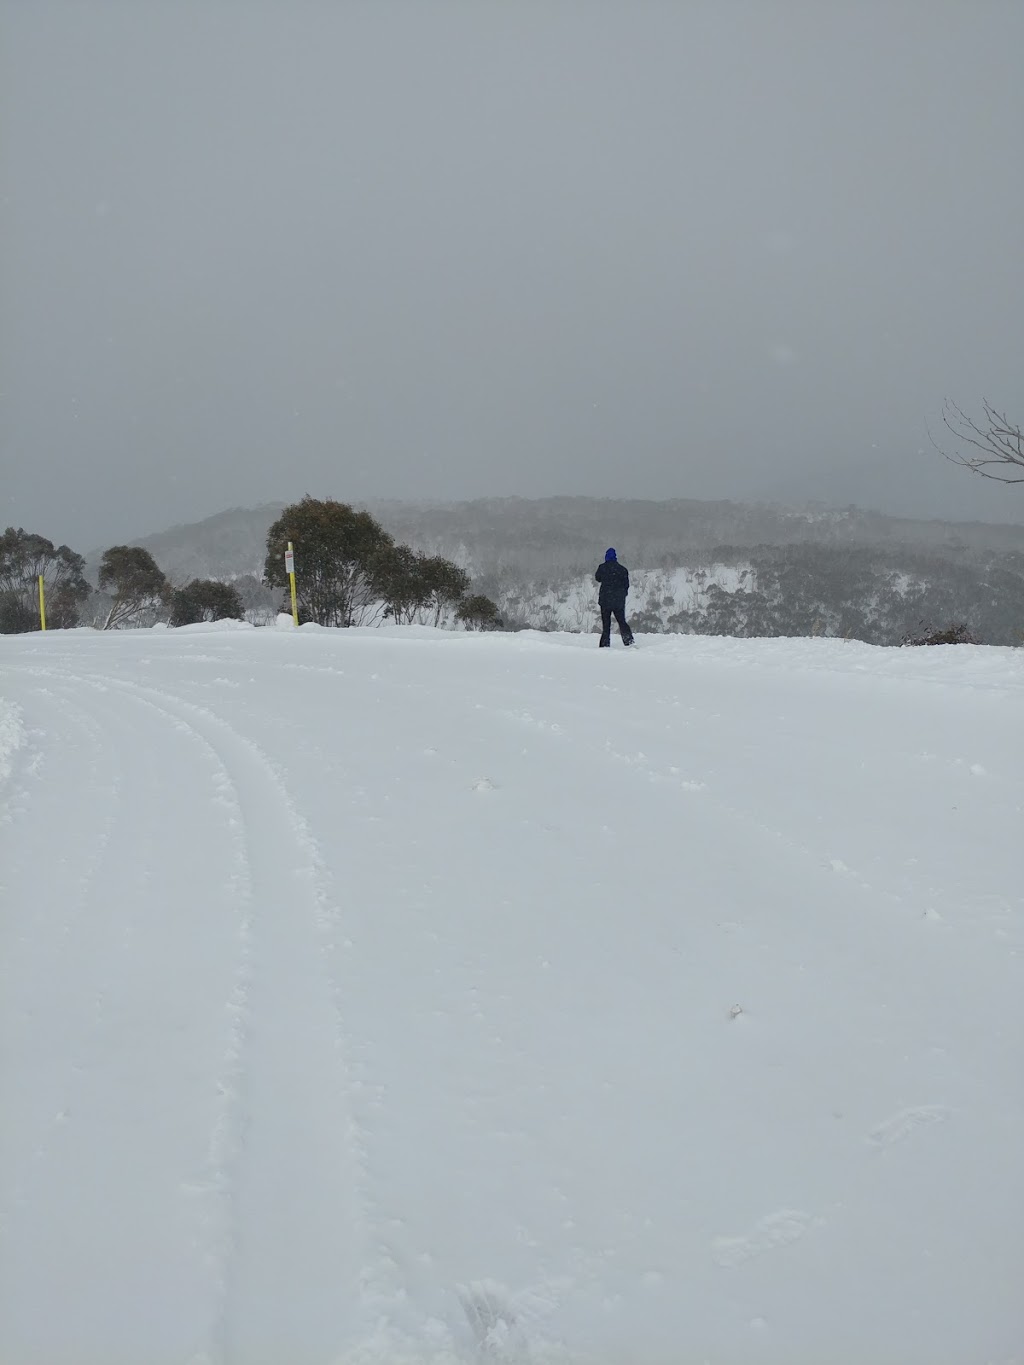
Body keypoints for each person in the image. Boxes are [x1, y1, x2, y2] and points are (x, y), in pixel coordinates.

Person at [595, 548, 634, 647]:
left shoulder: (602, 567)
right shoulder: (622, 569)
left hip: (605, 600)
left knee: (606, 624)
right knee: (621, 621)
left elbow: (597, 578)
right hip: (618, 601)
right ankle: (628, 641)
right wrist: (622, 595)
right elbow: (626, 585)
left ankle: (605, 644)